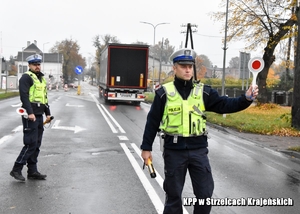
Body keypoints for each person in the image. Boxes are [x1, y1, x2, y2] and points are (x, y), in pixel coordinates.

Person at [140, 48, 259, 214]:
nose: (188, 69)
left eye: (190, 66)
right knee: (173, 198)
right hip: (174, 152)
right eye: (183, 66)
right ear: (174, 68)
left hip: (198, 152)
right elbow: (152, 122)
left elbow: (226, 104)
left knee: (204, 196)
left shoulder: (203, 92)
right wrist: (146, 148)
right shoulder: (164, 93)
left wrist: (245, 99)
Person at [10, 54, 52, 181]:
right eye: (35, 64)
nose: (37, 66)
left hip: (39, 115)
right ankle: (16, 169)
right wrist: (30, 112)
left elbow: (44, 98)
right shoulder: (26, 78)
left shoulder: (41, 79)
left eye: (39, 64)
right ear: (29, 65)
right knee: (30, 144)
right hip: (31, 116)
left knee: (37, 144)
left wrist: (48, 113)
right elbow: (24, 96)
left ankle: (32, 171)